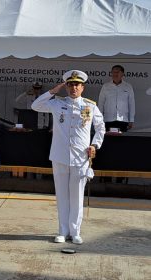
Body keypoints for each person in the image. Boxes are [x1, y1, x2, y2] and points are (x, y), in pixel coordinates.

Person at [31, 70, 105, 244]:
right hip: (60, 156)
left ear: (82, 87)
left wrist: (95, 145)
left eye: (77, 85)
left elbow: (101, 127)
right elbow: (35, 106)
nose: (73, 88)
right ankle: (62, 231)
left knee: (77, 196)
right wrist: (53, 91)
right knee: (62, 196)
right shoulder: (57, 104)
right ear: (66, 86)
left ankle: (75, 231)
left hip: (80, 157)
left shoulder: (90, 106)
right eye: (70, 84)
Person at [98, 65, 135, 132]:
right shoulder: (106, 86)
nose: (115, 74)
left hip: (123, 120)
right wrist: (99, 120)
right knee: (108, 141)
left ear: (122, 74)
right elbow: (101, 103)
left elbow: (131, 104)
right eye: (113, 72)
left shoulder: (128, 87)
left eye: (117, 72)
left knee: (122, 141)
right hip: (108, 120)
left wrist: (131, 120)